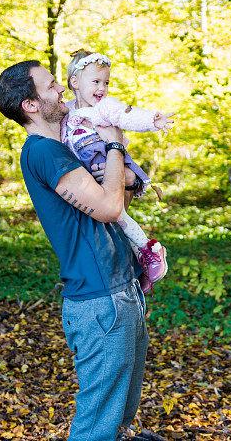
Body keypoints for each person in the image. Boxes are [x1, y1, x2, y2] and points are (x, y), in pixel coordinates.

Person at [0, 59, 148, 441]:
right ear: (31, 105)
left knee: (118, 419)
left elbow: (117, 204)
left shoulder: (67, 146)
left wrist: (123, 168)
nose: (61, 88)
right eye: (49, 87)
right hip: (100, 301)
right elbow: (110, 207)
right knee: (97, 424)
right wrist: (114, 141)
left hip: (120, 288)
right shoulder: (44, 153)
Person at [63, 49, 174, 294]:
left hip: (109, 164)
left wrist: (152, 121)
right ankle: (140, 266)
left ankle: (150, 248)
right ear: (74, 82)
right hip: (86, 174)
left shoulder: (105, 107)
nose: (102, 88)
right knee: (109, 225)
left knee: (118, 216)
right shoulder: (66, 110)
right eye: (96, 82)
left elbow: (128, 115)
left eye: (106, 82)